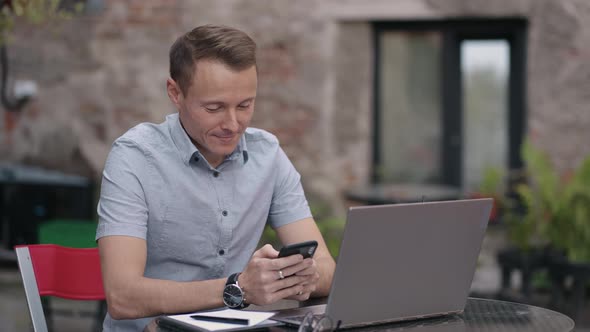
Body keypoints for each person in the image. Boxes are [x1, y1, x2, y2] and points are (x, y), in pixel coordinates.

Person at [95, 24, 336, 331]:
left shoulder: (268, 155)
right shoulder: (134, 158)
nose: (233, 124)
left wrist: (299, 277)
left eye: (245, 105)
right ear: (175, 93)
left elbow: (327, 270)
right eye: (214, 107)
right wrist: (239, 288)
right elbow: (122, 297)